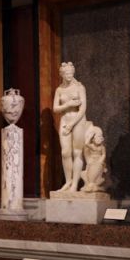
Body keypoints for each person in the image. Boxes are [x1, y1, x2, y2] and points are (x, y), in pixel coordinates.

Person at [52, 61, 90, 193]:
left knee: (77, 152)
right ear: (62, 74)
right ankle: (68, 182)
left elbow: (83, 108)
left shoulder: (80, 87)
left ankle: (75, 184)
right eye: (66, 73)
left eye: (71, 73)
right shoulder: (59, 90)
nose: (69, 76)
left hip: (78, 120)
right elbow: (55, 108)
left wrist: (72, 124)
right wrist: (68, 104)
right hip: (65, 119)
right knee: (65, 152)